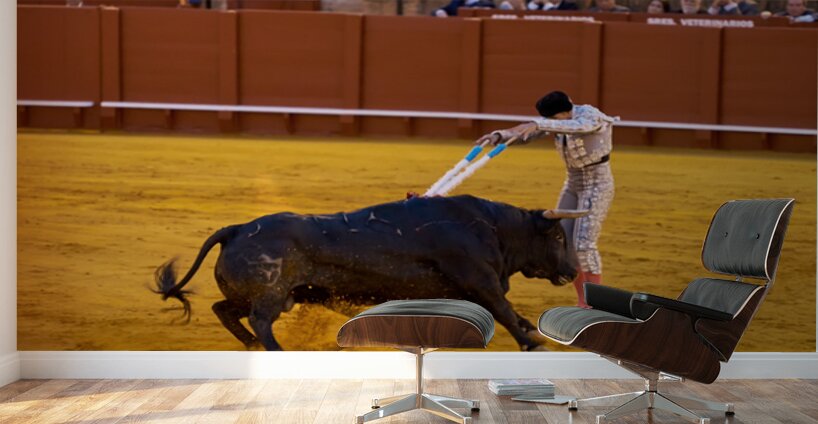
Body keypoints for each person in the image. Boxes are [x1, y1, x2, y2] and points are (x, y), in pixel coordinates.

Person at [476, 91, 616, 309]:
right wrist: (499, 136)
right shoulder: (554, 121)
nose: (551, 123)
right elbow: (530, 133)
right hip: (573, 183)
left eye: (553, 119)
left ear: (565, 110)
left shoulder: (590, 115)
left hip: (597, 184)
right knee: (565, 243)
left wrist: (539, 124)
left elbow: (580, 127)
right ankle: (583, 302)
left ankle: (597, 303)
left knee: (584, 245)